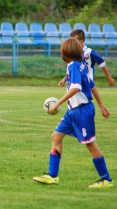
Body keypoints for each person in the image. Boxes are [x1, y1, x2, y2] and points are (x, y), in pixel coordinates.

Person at [33, 37, 113, 188]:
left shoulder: (74, 67)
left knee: (90, 145)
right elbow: (92, 86)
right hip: (72, 112)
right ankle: (52, 175)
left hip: (82, 111)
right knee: (56, 137)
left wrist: (58, 102)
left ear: (65, 53)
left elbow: (75, 87)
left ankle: (106, 180)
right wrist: (101, 105)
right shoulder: (79, 66)